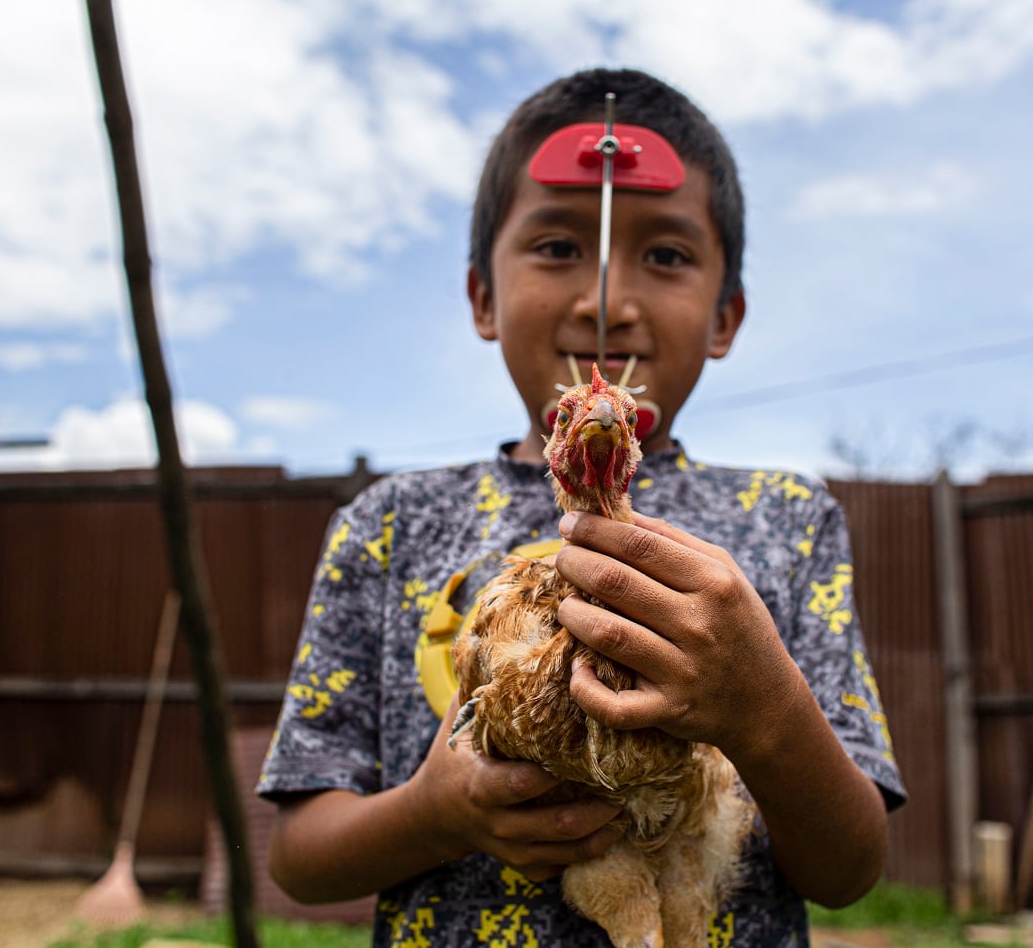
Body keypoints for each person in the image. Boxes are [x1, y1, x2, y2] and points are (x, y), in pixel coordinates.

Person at [258, 67, 906, 947]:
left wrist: (764, 709)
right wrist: (434, 813)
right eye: (558, 247)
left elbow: (848, 870)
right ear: (483, 297)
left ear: (726, 316)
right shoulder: (391, 525)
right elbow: (298, 857)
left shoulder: (787, 523)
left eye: (668, 256)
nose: (607, 301)